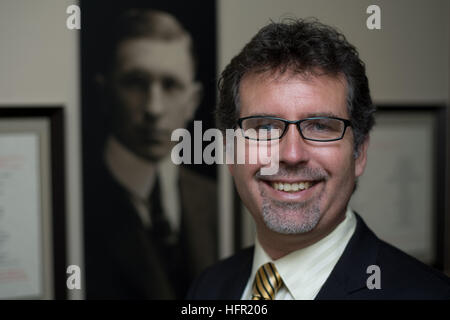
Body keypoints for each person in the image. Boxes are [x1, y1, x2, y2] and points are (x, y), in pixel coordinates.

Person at [187, 18, 450, 300]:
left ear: (359, 152)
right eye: (265, 128)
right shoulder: (209, 288)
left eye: (320, 127)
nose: (291, 155)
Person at [84, 9, 217, 299]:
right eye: (135, 83)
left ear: (192, 100)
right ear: (104, 93)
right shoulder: (76, 202)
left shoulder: (216, 201)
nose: (153, 108)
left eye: (170, 85)